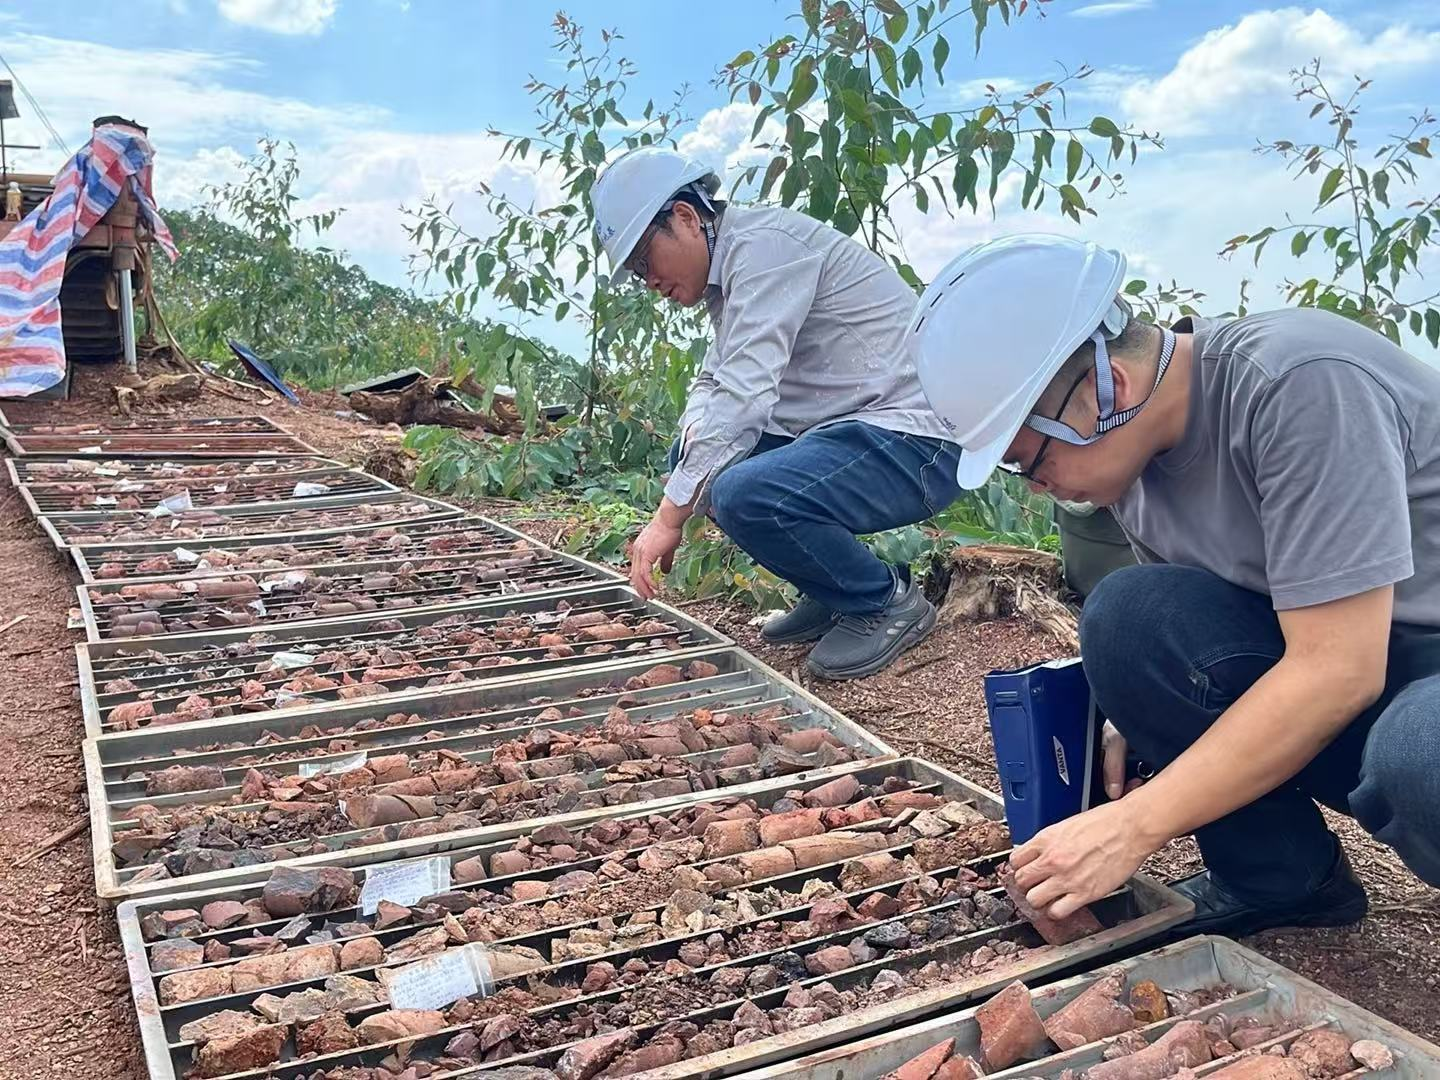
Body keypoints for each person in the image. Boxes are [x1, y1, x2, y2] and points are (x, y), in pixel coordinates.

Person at [909, 233, 1440, 937]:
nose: (1035, 486)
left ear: (1108, 387)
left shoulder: (1300, 383)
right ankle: (1282, 881)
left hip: (1400, 662)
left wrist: (1132, 826)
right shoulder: (1134, 456)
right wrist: (1139, 709)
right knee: (1127, 617)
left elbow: (1339, 670)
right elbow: (1185, 624)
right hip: (1355, 659)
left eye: (1029, 460)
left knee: (1420, 754)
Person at [592, 146, 962, 679]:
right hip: (861, 431)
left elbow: (744, 399)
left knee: (738, 490)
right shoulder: (732, 269)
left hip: (918, 442)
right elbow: (714, 381)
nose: (647, 280)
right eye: (634, 272)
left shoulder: (766, 251)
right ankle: (832, 590)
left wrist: (668, 518)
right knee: (696, 460)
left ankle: (883, 602)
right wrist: (688, 457)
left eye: (644, 260)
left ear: (686, 218)